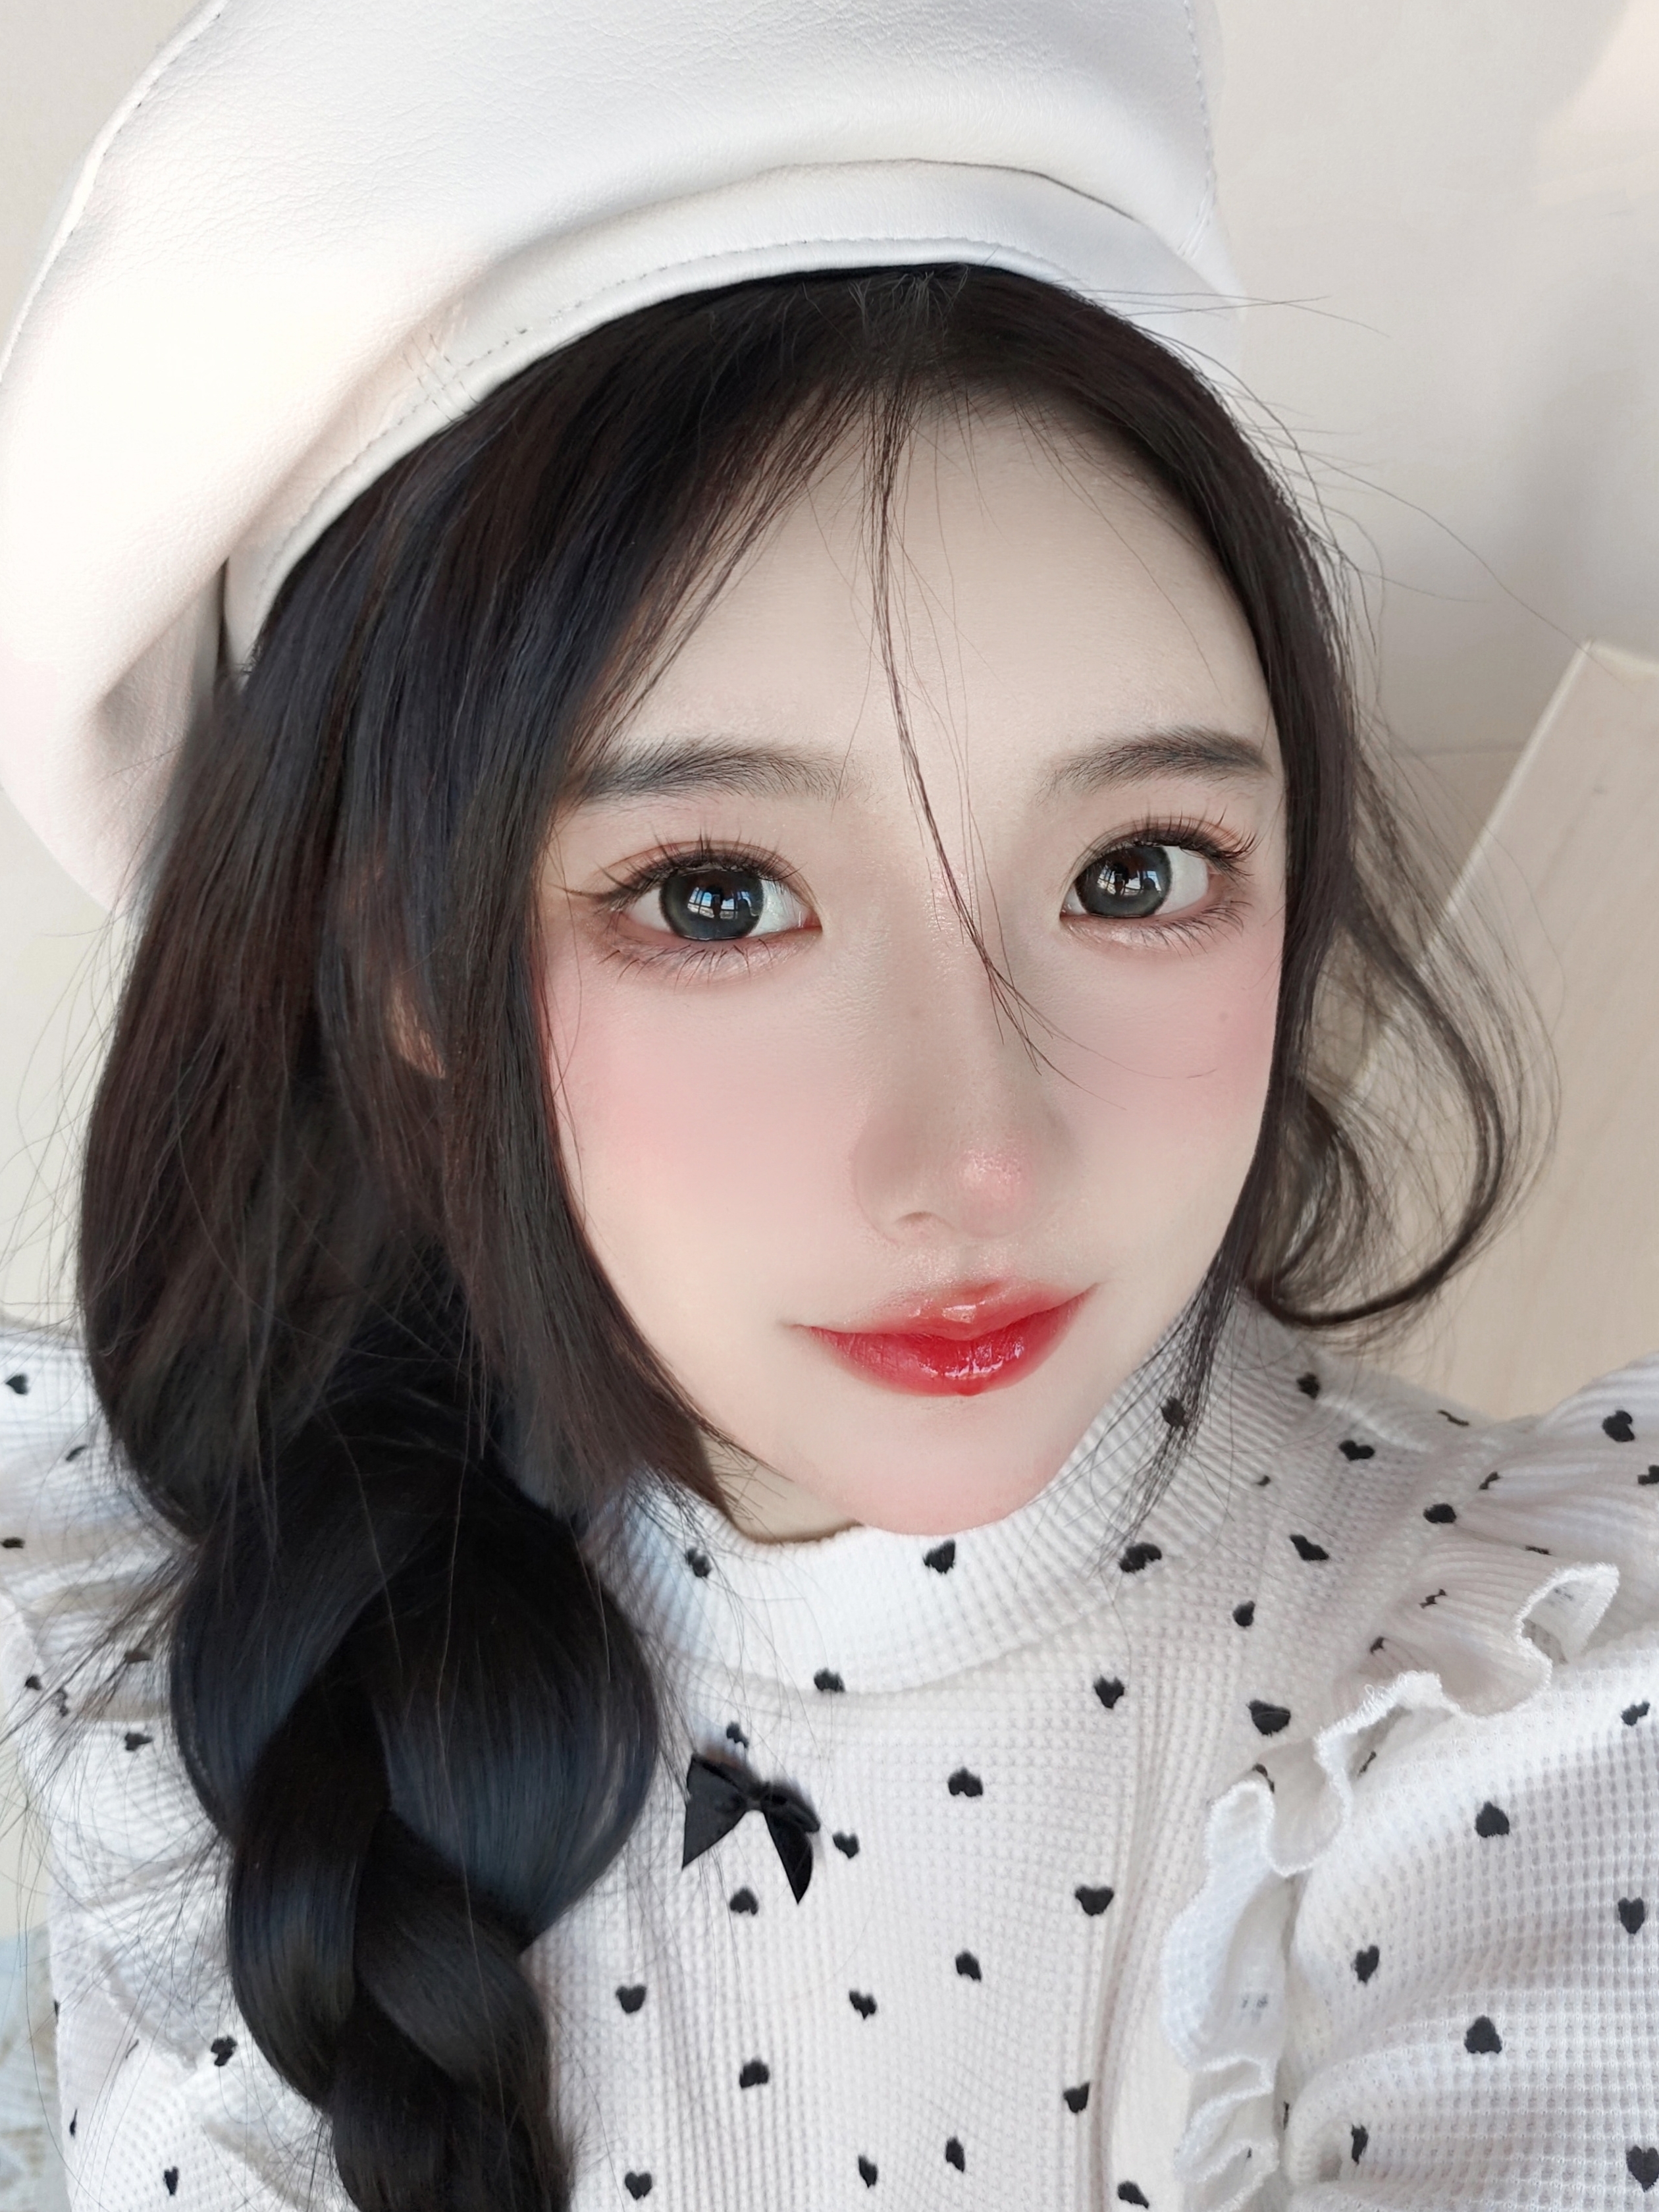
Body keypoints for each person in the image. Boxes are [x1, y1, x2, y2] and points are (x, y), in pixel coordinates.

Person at [0, 3, 1655, 2208]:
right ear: (400, 964)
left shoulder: (1525, 1701)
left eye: (1137, 872)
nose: (981, 1155)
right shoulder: (202, 1679)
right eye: (717, 896)